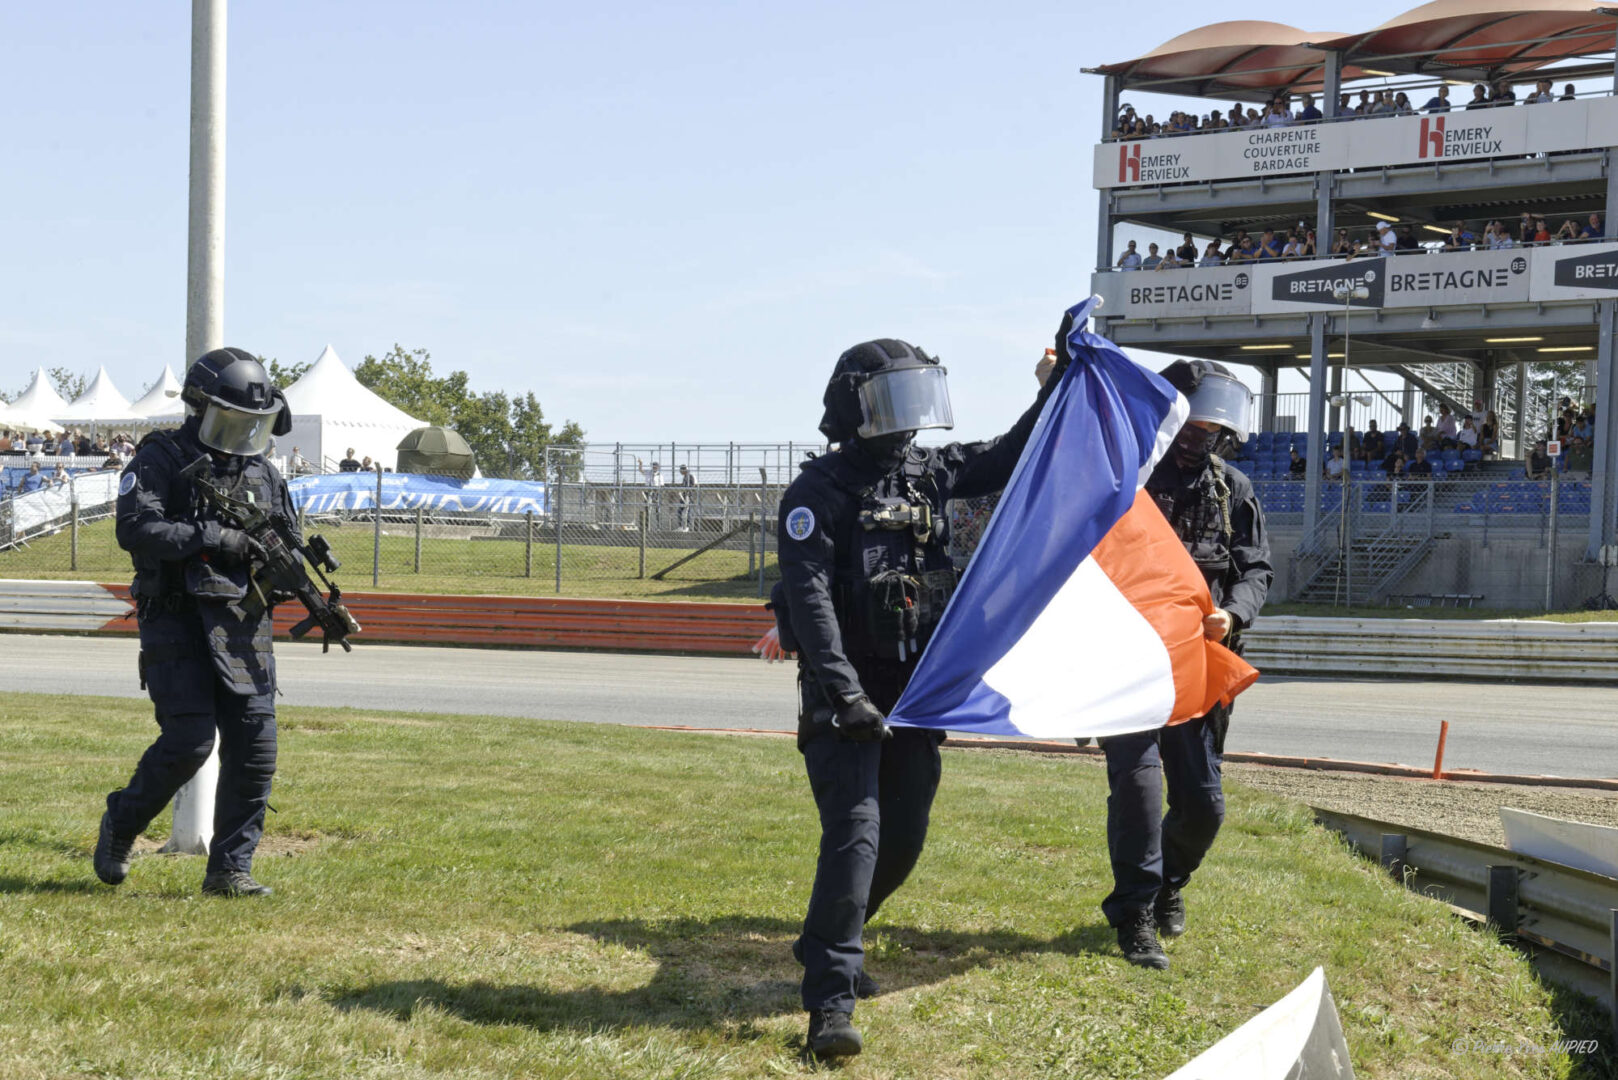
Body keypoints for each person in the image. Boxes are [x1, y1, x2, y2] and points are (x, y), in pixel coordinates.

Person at [774, 325, 1073, 1057]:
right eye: (891, 400)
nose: (907, 418)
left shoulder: (928, 472)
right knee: (856, 838)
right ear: (854, 407)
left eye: (917, 398)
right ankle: (831, 1006)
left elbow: (1009, 456)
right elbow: (810, 602)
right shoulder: (817, 492)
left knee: (902, 841)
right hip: (846, 699)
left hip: (915, 694)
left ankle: (825, 939)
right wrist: (844, 696)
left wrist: (1055, 386)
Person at [94, 347, 297, 899]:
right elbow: (136, 529)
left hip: (242, 623)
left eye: (251, 425)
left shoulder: (263, 473)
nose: (240, 434)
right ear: (199, 406)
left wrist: (292, 569)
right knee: (188, 742)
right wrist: (210, 537)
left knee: (256, 749)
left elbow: (284, 537)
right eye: (231, 420)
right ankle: (122, 822)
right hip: (177, 619)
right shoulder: (161, 455)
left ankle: (230, 869)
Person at [1098, 361, 1271, 972]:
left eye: (1214, 419)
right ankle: (1135, 912)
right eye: (1194, 416)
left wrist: (1233, 613)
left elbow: (1256, 569)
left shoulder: (1235, 489)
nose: (1205, 430)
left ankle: (1171, 882)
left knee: (1203, 804)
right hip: (1132, 666)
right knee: (1140, 793)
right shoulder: (1129, 480)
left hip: (1201, 668)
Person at [676, 463, 696, 530]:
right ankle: (681, 526)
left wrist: (687, 491)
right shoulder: (685, 477)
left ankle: (687, 526)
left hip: (689, 496)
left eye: (681, 470)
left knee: (688, 511)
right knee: (680, 511)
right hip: (684, 497)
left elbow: (693, 486)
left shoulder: (690, 476)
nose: (680, 471)